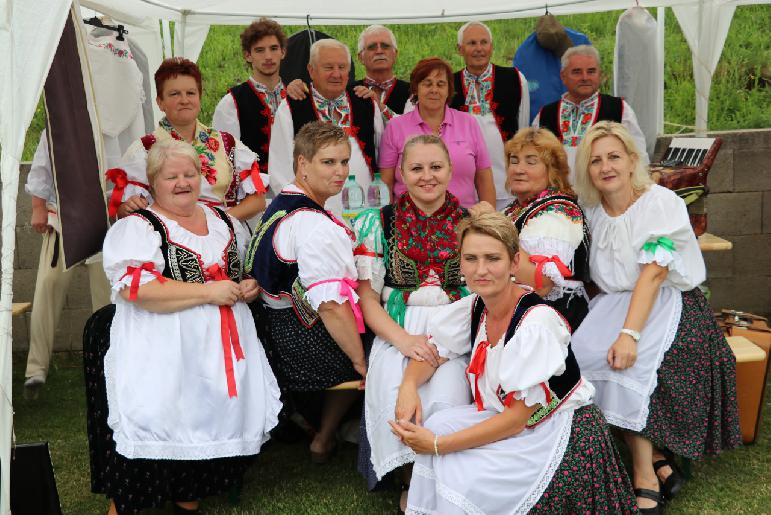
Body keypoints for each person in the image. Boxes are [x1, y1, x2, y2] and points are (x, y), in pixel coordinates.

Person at [391, 212, 636, 514]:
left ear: (514, 262)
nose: (481, 270)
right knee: (439, 423)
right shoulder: (477, 306)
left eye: (492, 258)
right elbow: (434, 350)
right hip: (515, 420)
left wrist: (439, 444)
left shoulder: (535, 324)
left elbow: (517, 419)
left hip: (555, 430)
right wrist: (409, 386)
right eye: (471, 259)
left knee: (465, 473)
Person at [85, 139, 281, 514]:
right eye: (171, 176)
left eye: (189, 174)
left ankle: (187, 496)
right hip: (162, 349)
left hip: (217, 348)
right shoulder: (140, 228)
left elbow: (238, 274)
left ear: (201, 177)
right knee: (158, 417)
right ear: (153, 181)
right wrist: (207, 292)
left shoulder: (223, 219)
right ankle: (127, 504)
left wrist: (248, 287)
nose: (182, 182)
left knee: (204, 418)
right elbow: (137, 290)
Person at [570, 121, 741, 513]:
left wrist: (629, 334)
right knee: (579, 357)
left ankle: (644, 473)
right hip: (613, 304)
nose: (606, 166)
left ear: (632, 161)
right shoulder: (591, 213)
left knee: (631, 363)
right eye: (595, 161)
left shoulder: (661, 203)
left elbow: (654, 272)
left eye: (614, 156)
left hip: (667, 300)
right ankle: (659, 460)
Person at [353, 135, 472, 507]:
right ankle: (410, 480)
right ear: (401, 173)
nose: (427, 176)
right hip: (397, 327)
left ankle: (442, 479)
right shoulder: (378, 222)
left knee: (448, 397)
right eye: (416, 168)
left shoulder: (471, 223)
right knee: (395, 393)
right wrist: (403, 340)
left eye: (435, 167)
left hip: (458, 326)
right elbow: (368, 299)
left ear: (450, 170)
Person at [244, 122, 367, 463]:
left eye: (344, 162)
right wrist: (360, 360)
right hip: (299, 342)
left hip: (273, 329)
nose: (341, 171)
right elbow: (330, 307)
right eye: (329, 162)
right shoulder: (313, 225)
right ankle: (328, 435)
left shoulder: (285, 202)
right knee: (385, 344)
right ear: (302, 164)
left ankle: (322, 427)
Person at [107, 57, 266, 222]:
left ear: (199, 97)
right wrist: (128, 207)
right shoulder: (144, 150)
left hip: (226, 233)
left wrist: (218, 224)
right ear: (160, 102)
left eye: (190, 93)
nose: (184, 100)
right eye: (174, 94)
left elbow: (258, 200)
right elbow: (120, 210)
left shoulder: (228, 144)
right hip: (171, 239)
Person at [22, 131, 111, 396]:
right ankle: (35, 370)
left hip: (106, 219)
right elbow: (42, 165)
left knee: (106, 299)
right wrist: (38, 206)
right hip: (62, 217)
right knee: (47, 289)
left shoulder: (118, 117)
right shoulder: (58, 118)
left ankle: (108, 365)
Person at [268, 39, 384, 217]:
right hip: (312, 216)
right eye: (329, 67)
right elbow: (279, 168)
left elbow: (381, 156)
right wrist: (299, 212)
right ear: (311, 70)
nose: (336, 74)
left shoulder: (366, 102)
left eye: (342, 67)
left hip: (365, 215)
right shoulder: (292, 106)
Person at [501, 127, 590, 332]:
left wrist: (493, 232)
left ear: (552, 170)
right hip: (517, 312)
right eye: (514, 161)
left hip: (548, 321)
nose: (519, 169)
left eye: (531, 162)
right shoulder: (512, 209)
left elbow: (539, 284)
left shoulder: (558, 212)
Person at [379, 57, 495, 208]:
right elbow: (385, 184)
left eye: (441, 84)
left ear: (449, 90)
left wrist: (489, 221)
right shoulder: (395, 127)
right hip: (409, 225)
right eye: (427, 84)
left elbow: (484, 180)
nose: (434, 90)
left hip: (463, 223)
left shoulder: (469, 123)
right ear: (415, 88)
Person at [533, 45, 648, 182]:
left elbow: (639, 156)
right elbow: (534, 160)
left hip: (606, 197)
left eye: (591, 71)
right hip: (558, 198)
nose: (585, 77)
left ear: (599, 74)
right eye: (577, 72)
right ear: (563, 77)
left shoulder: (619, 109)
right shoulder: (545, 114)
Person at [450, 21, 530, 209]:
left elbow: (523, 129)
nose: (479, 48)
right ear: (460, 49)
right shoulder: (449, 83)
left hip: (506, 185)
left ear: (491, 47)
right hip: (463, 189)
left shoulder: (515, 79)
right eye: (472, 43)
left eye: (483, 42)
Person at [212, 18, 287, 175]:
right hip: (254, 191)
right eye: (259, 50)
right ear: (248, 55)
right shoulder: (232, 103)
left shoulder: (296, 95)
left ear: (283, 52)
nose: (268, 56)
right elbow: (225, 157)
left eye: (274, 48)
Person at [353, 25, 412, 119]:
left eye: (385, 46)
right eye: (372, 47)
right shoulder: (349, 92)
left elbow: (413, 128)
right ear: (360, 57)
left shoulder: (412, 92)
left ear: (395, 54)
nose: (379, 51)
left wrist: (380, 107)